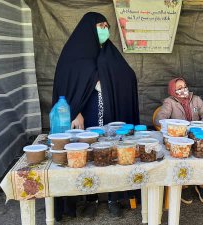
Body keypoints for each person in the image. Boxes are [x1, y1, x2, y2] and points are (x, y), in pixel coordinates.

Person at [52, 12, 139, 220]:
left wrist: (112, 80)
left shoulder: (110, 53)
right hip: (86, 115)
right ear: (89, 27)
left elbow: (127, 76)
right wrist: (76, 112)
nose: (105, 29)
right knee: (87, 154)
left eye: (107, 26)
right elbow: (65, 86)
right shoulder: (73, 55)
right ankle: (89, 199)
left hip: (112, 114)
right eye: (101, 25)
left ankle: (113, 198)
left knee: (113, 152)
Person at [155, 77, 203, 204]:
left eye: (184, 86)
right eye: (179, 88)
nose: (183, 90)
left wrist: (200, 125)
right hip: (178, 138)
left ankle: (202, 185)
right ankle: (184, 186)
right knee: (180, 158)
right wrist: (174, 125)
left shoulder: (196, 99)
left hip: (196, 136)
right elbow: (159, 119)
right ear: (172, 91)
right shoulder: (169, 102)